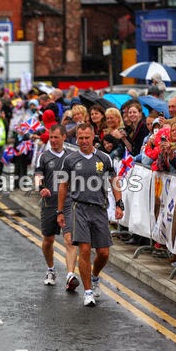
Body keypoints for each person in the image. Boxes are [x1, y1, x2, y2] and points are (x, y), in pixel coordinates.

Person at [57, 123, 124, 307]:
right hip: (79, 208)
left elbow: (114, 181)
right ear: (76, 138)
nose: (84, 141)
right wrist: (60, 211)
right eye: (80, 138)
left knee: (103, 253)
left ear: (94, 136)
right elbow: (63, 186)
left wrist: (119, 203)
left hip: (100, 209)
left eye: (87, 137)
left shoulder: (104, 158)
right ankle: (87, 292)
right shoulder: (70, 160)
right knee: (84, 250)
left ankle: (94, 277)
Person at [34, 124, 79, 290]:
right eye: (51, 137)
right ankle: (51, 269)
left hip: (68, 203)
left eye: (56, 137)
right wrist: (40, 188)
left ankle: (70, 276)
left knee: (69, 240)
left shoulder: (72, 156)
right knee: (48, 240)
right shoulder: (44, 156)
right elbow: (38, 174)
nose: (53, 141)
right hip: (49, 203)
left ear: (64, 137)